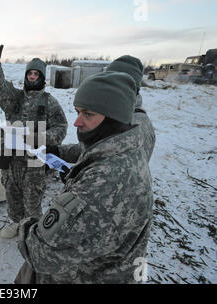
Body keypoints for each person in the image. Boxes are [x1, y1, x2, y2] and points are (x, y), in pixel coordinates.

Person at [17, 71, 154, 283]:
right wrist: (73, 168)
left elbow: (40, 254)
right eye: (78, 112)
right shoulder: (127, 147)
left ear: (113, 117)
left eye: (88, 114)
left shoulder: (103, 184)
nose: (77, 122)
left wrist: (26, 226)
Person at [0, 45, 67, 239]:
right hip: (12, 158)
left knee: (32, 197)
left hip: (34, 159)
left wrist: (42, 138)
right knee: (12, 193)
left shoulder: (49, 101)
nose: (32, 76)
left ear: (42, 77)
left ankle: (32, 229)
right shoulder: (14, 97)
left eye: (36, 74)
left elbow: (61, 126)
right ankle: (16, 222)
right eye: (29, 73)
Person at [46, 55, 156, 178]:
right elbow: (98, 148)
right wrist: (58, 151)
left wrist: (78, 178)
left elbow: (115, 171)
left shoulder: (132, 124)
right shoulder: (120, 118)